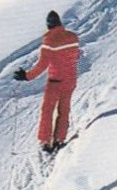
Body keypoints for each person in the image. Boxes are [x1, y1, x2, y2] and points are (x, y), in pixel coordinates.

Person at [13, 11, 81, 153]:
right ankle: (59, 139)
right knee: (64, 110)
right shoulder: (73, 37)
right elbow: (76, 56)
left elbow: (41, 66)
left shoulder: (49, 41)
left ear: (48, 25)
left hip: (55, 81)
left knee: (47, 110)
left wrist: (26, 76)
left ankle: (45, 142)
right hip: (70, 79)